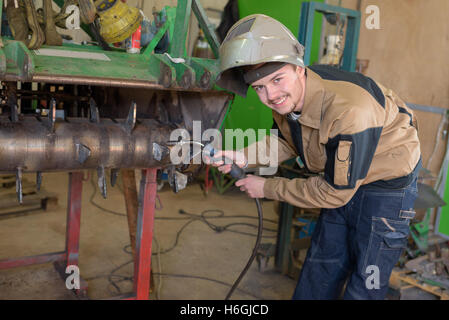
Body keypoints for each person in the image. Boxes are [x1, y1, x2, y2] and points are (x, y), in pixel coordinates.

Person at [210, 14, 421, 300]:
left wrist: (265, 187)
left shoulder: (349, 111)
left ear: (299, 68)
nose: (270, 95)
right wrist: (244, 157)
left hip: (386, 187)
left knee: (365, 283)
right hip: (341, 179)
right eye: (259, 87)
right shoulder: (290, 97)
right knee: (320, 270)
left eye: (277, 79)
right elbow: (286, 140)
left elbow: (334, 193)